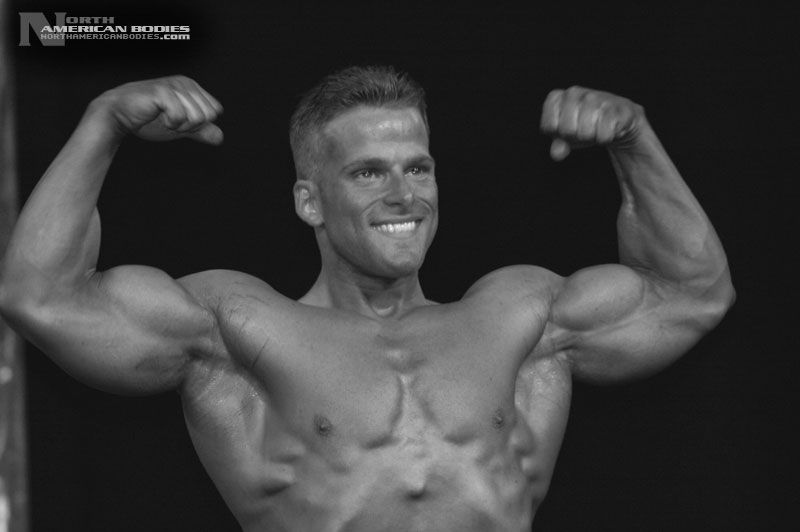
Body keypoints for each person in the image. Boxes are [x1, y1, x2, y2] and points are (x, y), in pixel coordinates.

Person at [0, 66, 734, 531]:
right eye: (368, 173)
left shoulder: (519, 317)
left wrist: (634, 140)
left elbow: (694, 291)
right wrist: (104, 123)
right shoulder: (241, 328)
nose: (403, 194)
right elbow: (43, 298)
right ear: (309, 201)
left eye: (418, 168)